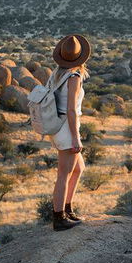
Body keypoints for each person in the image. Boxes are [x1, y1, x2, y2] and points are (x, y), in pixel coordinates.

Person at [49, 33, 90, 231]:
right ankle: (59, 218)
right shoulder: (73, 77)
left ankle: (67, 209)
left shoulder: (57, 74)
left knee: (78, 169)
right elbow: (72, 109)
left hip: (59, 125)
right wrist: (75, 138)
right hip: (67, 127)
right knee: (64, 174)